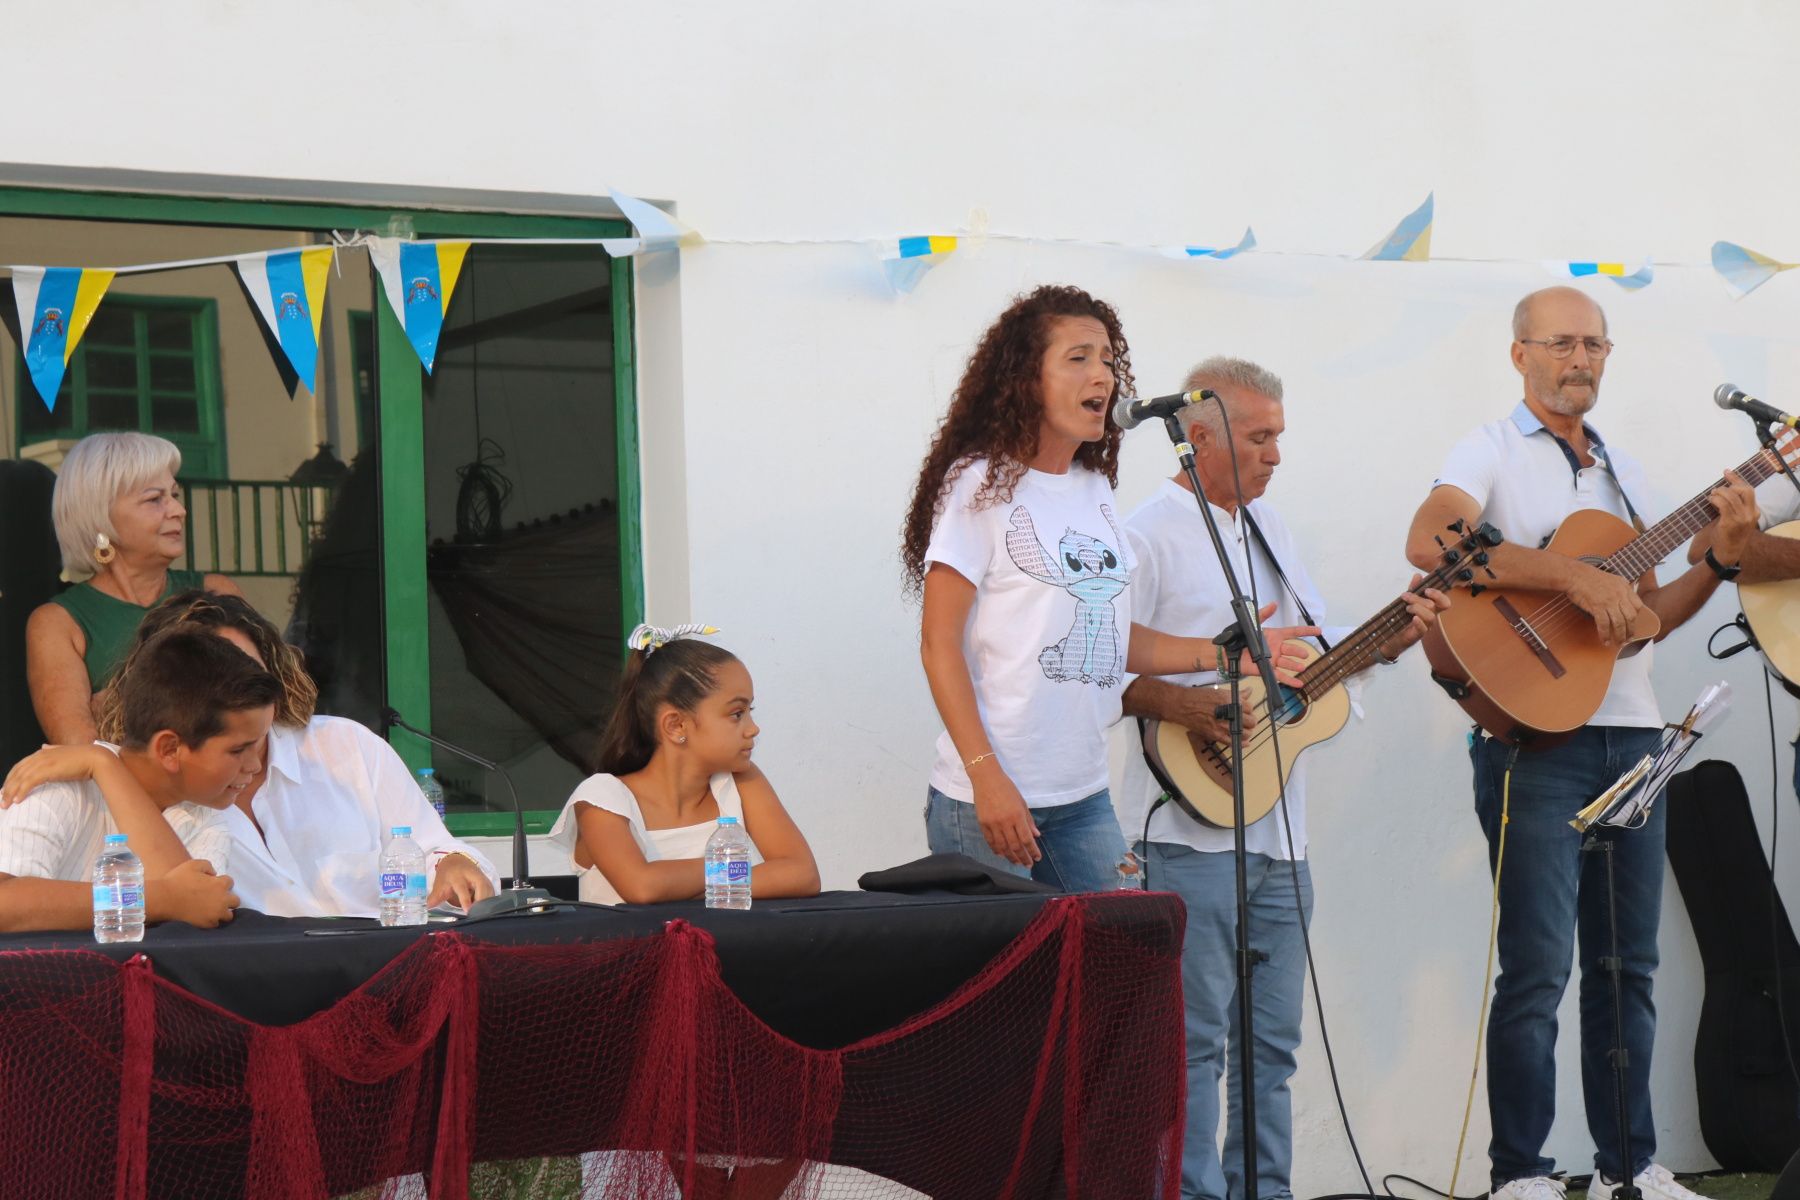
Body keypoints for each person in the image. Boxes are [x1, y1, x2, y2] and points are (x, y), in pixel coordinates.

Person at [1402, 287, 1759, 1200]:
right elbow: (1433, 537)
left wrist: (1717, 558)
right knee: (1534, 972)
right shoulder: (1487, 448)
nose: (1582, 359)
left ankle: (1629, 1165)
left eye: (1596, 344)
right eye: (1561, 342)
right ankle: (1520, 1173)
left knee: (1626, 968)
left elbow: (1641, 623)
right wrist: (1571, 573)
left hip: (1633, 734)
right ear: (1519, 353)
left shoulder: (1626, 473)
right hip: (1537, 746)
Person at [1120, 357, 1448, 1200]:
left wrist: (1393, 633)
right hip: (1185, 831)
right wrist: (1192, 708)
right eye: (1259, 437)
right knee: (1193, 1046)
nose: (1275, 455)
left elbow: (1308, 663)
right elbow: (1105, 667)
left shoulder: (1273, 534)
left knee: (1273, 1047)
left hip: (1282, 834)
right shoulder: (1144, 533)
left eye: (1278, 437)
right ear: (1198, 437)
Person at [899, 284, 1315, 893]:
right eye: (1078, 358)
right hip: (987, 795)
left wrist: (1227, 654)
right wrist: (986, 778)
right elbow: (938, 643)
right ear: (1024, 379)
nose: (1103, 375)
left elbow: (1111, 638)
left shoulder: (1093, 487)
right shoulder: (979, 483)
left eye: (1108, 360)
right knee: (1013, 987)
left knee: (1121, 966)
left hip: (1081, 794)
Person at [89, 591, 499, 915]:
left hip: (390, 977)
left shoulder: (347, 746)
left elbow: (434, 850)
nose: (235, 686)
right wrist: (97, 762)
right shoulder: (147, 790)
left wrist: (454, 864)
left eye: (245, 669)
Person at [0, 629, 272, 932]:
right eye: (238, 750)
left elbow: (193, 915)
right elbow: (5, 905)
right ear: (169, 749)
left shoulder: (207, 818)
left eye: (258, 744)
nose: (255, 765)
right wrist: (154, 898)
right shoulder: (55, 787)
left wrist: (105, 766)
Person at [548, 623, 820, 905]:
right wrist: (736, 878)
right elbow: (643, 887)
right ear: (676, 725)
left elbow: (802, 874)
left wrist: (680, 886)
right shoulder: (601, 798)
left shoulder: (740, 780)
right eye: (737, 714)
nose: (753, 729)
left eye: (750, 711)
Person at [26, 432, 241, 745]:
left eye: (174, 495)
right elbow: (80, 749)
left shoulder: (218, 593)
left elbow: (254, 705)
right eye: (155, 499)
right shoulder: (56, 622)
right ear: (100, 517)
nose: (178, 511)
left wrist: (117, 702)